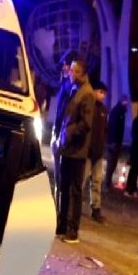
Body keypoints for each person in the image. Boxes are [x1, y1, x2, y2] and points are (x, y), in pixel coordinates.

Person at [55, 60, 94, 243]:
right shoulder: (72, 88)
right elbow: (63, 111)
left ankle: (73, 230)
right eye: (70, 70)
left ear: (80, 72)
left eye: (72, 70)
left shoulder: (87, 93)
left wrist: (69, 132)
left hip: (77, 150)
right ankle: (61, 224)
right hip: (67, 147)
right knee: (63, 187)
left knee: (75, 190)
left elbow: (86, 123)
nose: (69, 72)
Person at [49, 51, 80, 211]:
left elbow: (66, 114)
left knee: (61, 179)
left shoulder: (72, 88)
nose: (63, 68)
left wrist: (60, 135)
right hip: (58, 133)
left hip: (63, 136)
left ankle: (60, 211)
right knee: (58, 177)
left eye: (65, 65)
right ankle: (57, 208)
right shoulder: (65, 85)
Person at [85, 82, 108, 223]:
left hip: (98, 154)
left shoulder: (104, 110)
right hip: (87, 152)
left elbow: (104, 131)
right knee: (81, 180)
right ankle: (71, 207)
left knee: (97, 181)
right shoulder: (89, 107)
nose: (102, 95)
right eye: (100, 91)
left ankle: (96, 209)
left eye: (104, 93)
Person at [104, 94, 128, 189]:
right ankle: (106, 184)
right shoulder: (118, 111)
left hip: (114, 141)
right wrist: (114, 141)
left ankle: (108, 183)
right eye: (125, 101)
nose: (127, 103)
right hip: (113, 142)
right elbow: (114, 127)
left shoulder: (120, 111)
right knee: (111, 163)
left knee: (112, 163)